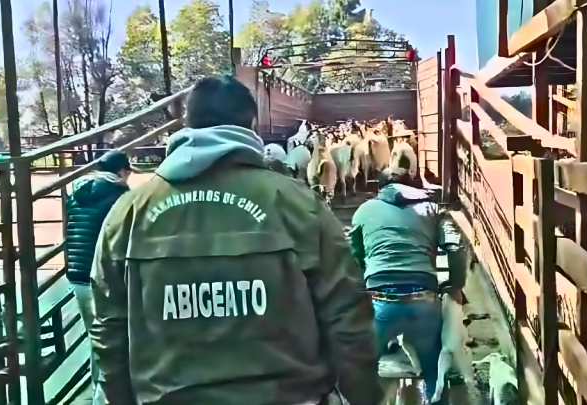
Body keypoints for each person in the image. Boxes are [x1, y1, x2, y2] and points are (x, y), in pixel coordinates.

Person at [90, 76, 382, 405]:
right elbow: (347, 316)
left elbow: (108, 329)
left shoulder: (128, 213)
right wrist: (362, 396)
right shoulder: (298, 204)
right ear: (251, 124)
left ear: (187, 123)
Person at [349, 168, 467, 403]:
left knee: (363, 368)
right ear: (414, 186)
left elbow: (352, 256)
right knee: (434, 369)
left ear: (379, 188)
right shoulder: (432, 209)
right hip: (423, 296)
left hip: (378, 299)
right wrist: (456, 284)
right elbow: (455, 246)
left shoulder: (364, 210)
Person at [66, 150, 132, 404]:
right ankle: (103, 396)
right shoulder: (120, 194)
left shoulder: (76, 192)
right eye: (127, 172)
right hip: (104, 275)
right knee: (111, 338)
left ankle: (98, 393)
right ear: (121, 172)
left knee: (96, 336)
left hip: (77, 272)